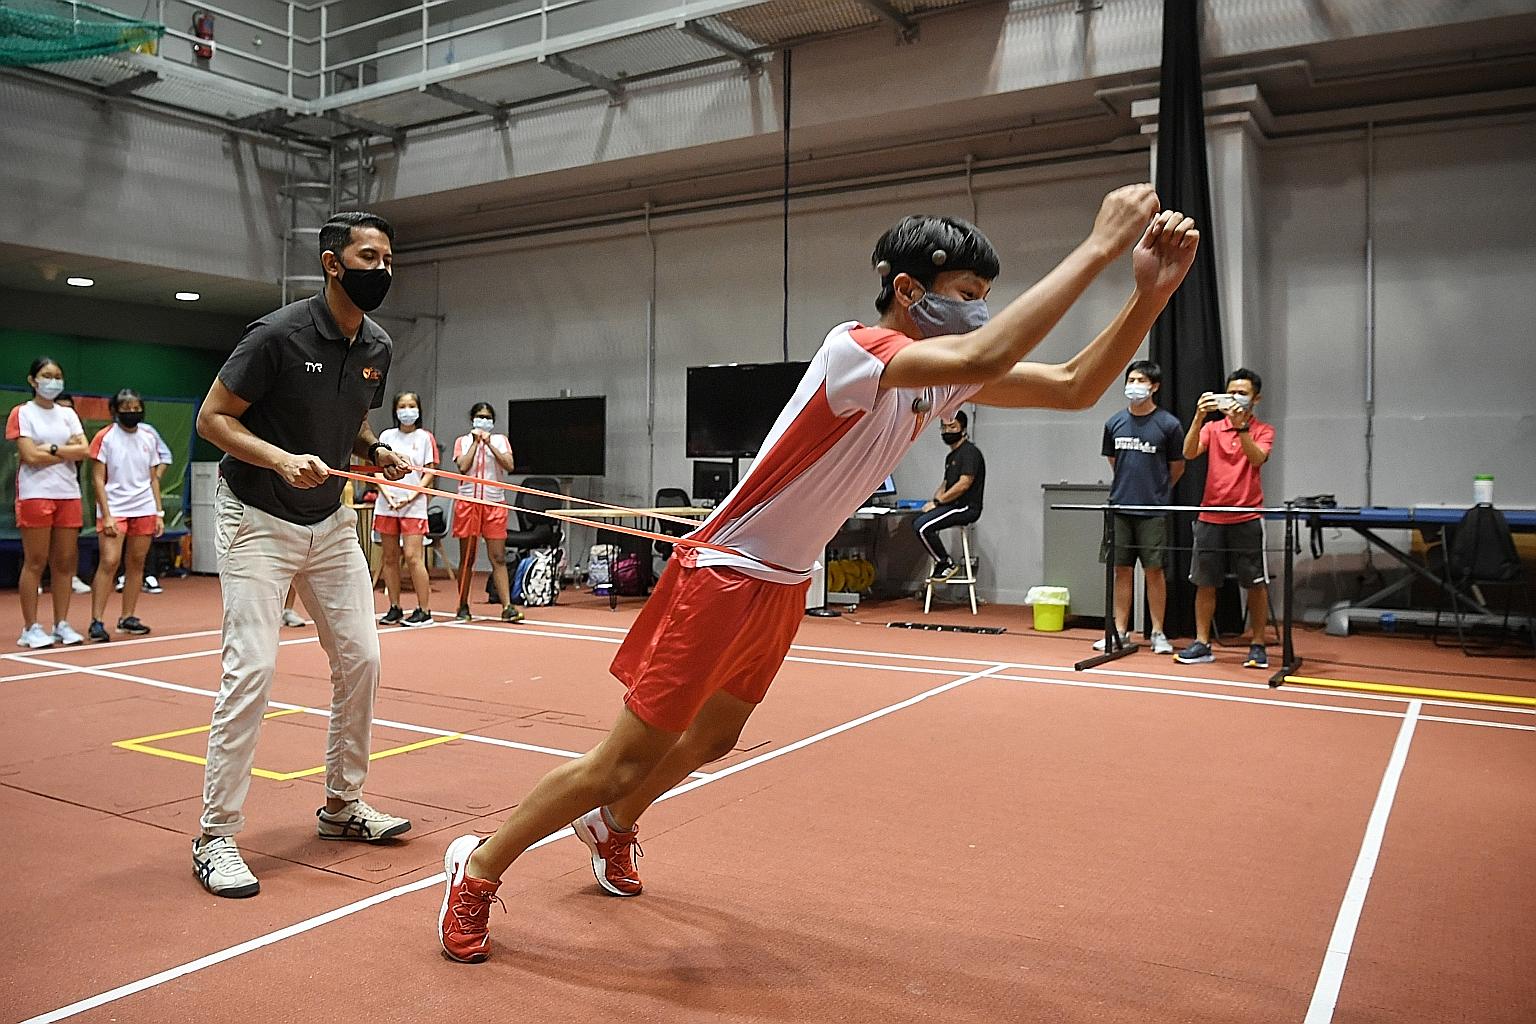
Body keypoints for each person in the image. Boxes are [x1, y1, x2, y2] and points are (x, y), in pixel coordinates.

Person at [435, 187, 1200, 963]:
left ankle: (611, 824)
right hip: (724, 569)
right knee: (622, 756)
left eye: (983, 301)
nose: (977, 312)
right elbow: (984, 353)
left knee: (715, 737)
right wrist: (1098, 248)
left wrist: (1148, 296)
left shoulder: (934, 378)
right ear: (909, 290)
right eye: (967, 296)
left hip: (783, 581)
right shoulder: (857, 351)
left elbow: (1072, 386)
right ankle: (480, 865)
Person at [191, 211, 414, 899]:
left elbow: (354, 422)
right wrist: (282, 459)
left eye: (387, 259)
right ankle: (215, 836)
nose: (381, 270)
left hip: (328, 521)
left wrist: (373, 451)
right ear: (331, 263)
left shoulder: (375, 342)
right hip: (256, 515)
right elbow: (213, 419)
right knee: (253, 669)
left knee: (363, 659)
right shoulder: (277, 335)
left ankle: (342, 806)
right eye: (368, 257)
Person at [1174, 368, 1276, 669]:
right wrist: (1198, 417)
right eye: (1231, 393)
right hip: (1211, 515)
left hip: (1247, 515)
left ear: (1255, 398)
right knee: (1205, 582)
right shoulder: (1212, 428)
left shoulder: (1264, 430)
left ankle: (1258, 645)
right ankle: (1203, 643)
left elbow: (1257, 458)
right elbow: (1188, 452)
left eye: (1242, 393)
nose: (1235, 398)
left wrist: (1242, 428)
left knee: (1255, 584)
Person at [1096, 360, 1184, 655]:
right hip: (1119, 507)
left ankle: (1158, 632)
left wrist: (1156, 492)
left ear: (1154, 386)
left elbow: (1177, 468)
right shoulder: (1114, 423)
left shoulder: (1169, 425)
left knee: (1154, 571)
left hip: (1153, 511)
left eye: (1141, 380)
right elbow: (1113, 462)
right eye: (1131, 379)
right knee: (1121, 570)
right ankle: (1120, 631)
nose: (1134, 385)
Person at [8, 358, 89, 648]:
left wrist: (52, 449)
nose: (52, 381)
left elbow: (85, 450)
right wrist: (67, 452)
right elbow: (29, 455)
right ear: (33, 380)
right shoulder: (22, 413)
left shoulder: (67, 415)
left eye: (57, 375)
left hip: (68, 493)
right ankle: (30, 627)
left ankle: (61, 624)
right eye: (46, 375)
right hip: (35, 493)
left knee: (65, 562)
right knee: (36, 561)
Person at [86, 388, 172, 641]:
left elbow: (153, 479)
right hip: (115, 508)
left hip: (144, 507)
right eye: (127, 409)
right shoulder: (105, 437)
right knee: (110, 561)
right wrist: (108, 515)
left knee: (136, 563)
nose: (132, 413)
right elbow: (97, 480)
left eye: (137, 409)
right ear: (115, 411)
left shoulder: (148, 436)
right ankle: (97, 621)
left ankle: (127, 617)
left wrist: (158, 512)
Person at [450, 401, 522, 624]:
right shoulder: (462, 441)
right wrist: (474, 443)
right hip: (468, 502)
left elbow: (509, 465)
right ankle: (462, 605)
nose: (483, 420)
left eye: (487, 417)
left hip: (494, 503)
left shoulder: (501, 440)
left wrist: (489, 444)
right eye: (479, 416)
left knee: (498, 556)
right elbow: (463, 466)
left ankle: (507, 606)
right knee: (467, 557)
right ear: (472, 419)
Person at [375, 391, 438, 627]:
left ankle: (424, 610)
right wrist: (387, 493)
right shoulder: (386, 436)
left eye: (412, 405)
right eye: (402, 406)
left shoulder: (424, 438)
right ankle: (394, 607)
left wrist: (413, 494)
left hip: (414, 505)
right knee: (390, 558)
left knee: (413, 557)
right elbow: (377, 469)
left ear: (419, 410)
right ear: (395, 410)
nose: (407, 410)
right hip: (387, 504)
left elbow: (430, 471)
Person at [912, 408, 985, 580]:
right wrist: (934, 501)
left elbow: (963, 484)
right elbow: (945, 484)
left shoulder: (970, 453)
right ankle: (942, 562)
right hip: (952, 505)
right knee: (919, 520)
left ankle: (945, 562)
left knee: (922, 527)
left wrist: (938, 503)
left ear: (963, 429)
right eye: (944, 428)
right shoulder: (951, 456)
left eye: (952, 427)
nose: (947, 432)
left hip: (966, 508)